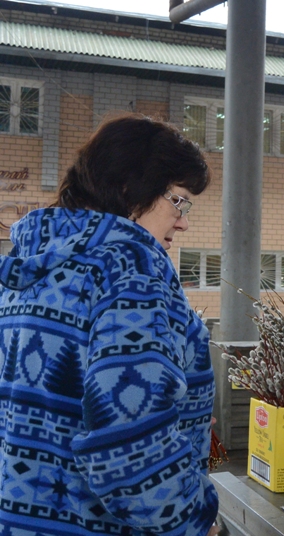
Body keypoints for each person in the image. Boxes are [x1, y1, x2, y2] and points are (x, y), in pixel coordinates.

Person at [0, 115, 219, 535]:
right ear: (127, 187)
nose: (184, 220)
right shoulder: (129, 268)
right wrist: (192, 520)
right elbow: (129, 448)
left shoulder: (31, 264)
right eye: (177, 200)